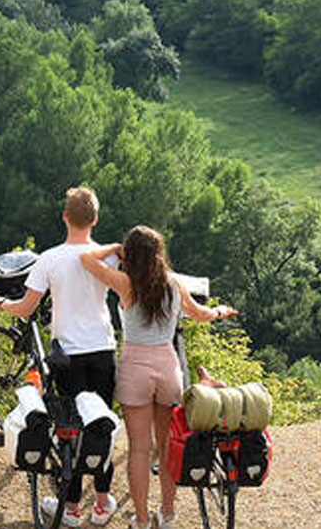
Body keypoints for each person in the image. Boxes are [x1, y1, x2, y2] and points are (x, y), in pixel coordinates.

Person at [81, 226, 238, 529]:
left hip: (135, 368)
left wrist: (114, 248)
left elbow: (87, 259)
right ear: (158, 254)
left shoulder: (126, 284)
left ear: (131, 254)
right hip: (168, 367)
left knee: (139, 449)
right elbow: (201, 314)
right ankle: (167, 515)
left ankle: (141, 520)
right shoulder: (174, 283)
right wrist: (220, 312)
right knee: (166, 446)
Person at [0, 186, 120, 527]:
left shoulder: (49, 258)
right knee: (100, 427)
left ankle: (72, 508)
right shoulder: (109, 256)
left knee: (71, 430)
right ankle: (103, 502)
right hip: (104, 351)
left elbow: (27, 307)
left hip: (69, 356)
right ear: (95, 219)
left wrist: (1, 304)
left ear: (64, 217)